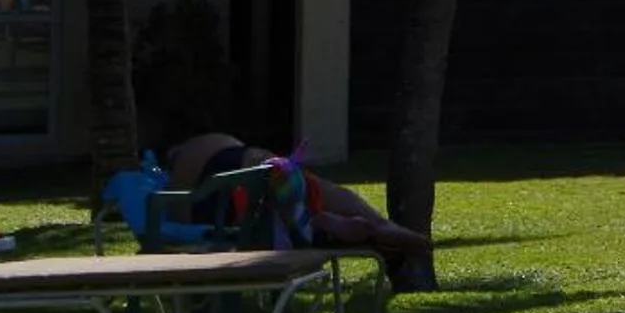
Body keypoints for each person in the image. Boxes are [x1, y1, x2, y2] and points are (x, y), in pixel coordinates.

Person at [163, 132, 432, 262]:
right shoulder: (211, 140)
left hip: (217, 197)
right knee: (302, 187)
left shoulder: (179, 169)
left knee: (263, 215)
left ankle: (314, 224)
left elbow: (179, 214)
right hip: (262, 163)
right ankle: (384, 226)